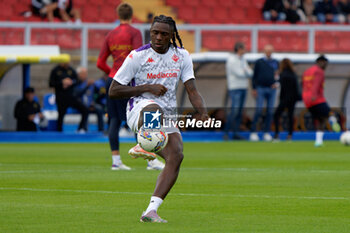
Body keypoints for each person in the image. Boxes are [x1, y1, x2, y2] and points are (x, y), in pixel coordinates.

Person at [109, 14, 209, 223]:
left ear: (172, 35)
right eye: (155, 32)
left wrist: (203, 111)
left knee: (176, 155)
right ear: (150, 33)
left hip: (166, 113)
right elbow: (114, 90)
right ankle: (144, 143)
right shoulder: (137, 56)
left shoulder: (182, 56)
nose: (159, 37)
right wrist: (147, 87)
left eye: (164, 34)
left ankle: (151, 210)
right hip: (139, 109)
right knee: (154, 108)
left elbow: (192, 89)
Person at [97, 3, 164, 171]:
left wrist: (113, 72)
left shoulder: (110, 34)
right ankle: (150, 160)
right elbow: (138, 56)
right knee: (139, 117)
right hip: (130, 81)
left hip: (113, 80)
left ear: (118, 14)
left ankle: (116, 161)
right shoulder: (134, 32)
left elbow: (100, 62)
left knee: (113, 120)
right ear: (131, 15)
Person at [224, 42, 253, 140]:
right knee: (234, 111)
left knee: (240, 112)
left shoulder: (243, 59)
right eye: (244, 48)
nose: (245, 50)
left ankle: (236, 133)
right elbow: (240, 73)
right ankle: (226, 132)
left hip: (243, 87)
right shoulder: (231, 60)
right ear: (239, 49)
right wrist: (246, 70)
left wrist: (245, 71)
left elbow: (250, 73)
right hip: (235, 88)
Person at [250, 45, 279, 141]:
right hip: (261, 88)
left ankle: (266, 132)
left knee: (270, 112)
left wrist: (277, 83)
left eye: (270, 51)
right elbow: (254, 76)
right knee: (258, 110)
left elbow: (278, 75)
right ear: (264, 51)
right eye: (267, 51)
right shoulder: (259, 62)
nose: (269, 52)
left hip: (271, 89)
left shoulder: (275, 62)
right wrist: (254, 88)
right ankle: (253, 132)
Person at [49, 63, 88, 132]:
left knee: (84, 110)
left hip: (71, 97)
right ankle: (59, 132)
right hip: (60, 97)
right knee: (61, 115)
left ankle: (80, 129)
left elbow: (77, 81)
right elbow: (51, 83)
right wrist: (62, 83)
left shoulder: (71, 70)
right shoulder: (55, 70)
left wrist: (70, 82)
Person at [302, 55, 330, 147]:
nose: (325, 65)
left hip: (307, 99)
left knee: (319, 119)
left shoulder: (307, 71)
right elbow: (316, 84)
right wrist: (313, 95)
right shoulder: (319, 71)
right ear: (320, 62)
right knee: (327, 113)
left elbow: (303, 84)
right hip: (316, 98)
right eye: (325, 63)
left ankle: (318, 141)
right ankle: (335, 124)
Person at [273, 58, 301, 141]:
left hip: (285, 98)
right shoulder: (293, 74)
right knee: (290, 116)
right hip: (293, 98)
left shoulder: (282, 74)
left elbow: (278, 83)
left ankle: (277, 134)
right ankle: (290, 135)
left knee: (276, 115)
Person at [75, 67, 105, 132]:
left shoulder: (90, 84)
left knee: (99, 109)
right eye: (83, 74)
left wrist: (101, 91)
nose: (85, 75)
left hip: (91, 104)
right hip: (80, 105)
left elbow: (99, 94)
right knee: (85, 109)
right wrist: (87, 86)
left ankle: (101, 130)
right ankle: (83, 128)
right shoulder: (76, 83)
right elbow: (77, 95)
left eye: (85, 73)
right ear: (79, 74)